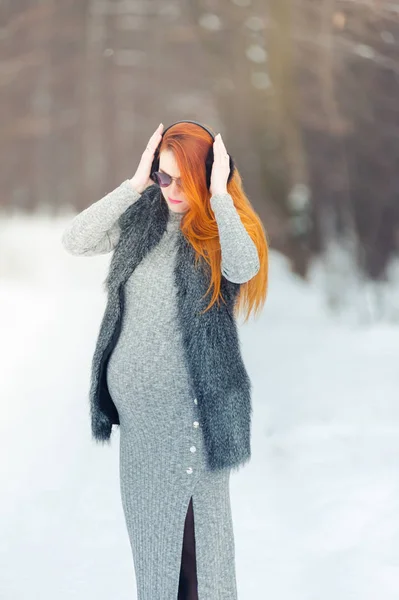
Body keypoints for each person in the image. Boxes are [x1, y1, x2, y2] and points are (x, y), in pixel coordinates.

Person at [62, 121, 268, 599]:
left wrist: (218, 196)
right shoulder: (143, 218)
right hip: (141, 427)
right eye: (163, 176)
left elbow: (244, 267)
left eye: (182, 179)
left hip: (191, 420)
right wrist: (135, 184)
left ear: (207, 176)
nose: (170, 190)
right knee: (155, 559)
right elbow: (76, 239)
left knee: (198, 563)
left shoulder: (218, 230)